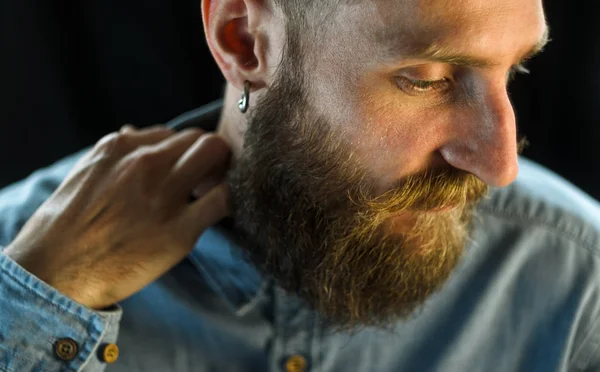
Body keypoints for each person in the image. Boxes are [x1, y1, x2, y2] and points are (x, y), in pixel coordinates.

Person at [0, 0, 598, 371]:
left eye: (514, 69)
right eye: (425, 78)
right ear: (246, 41)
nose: (499, 166)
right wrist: (35, 310)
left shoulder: (580, 284)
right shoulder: (22, 264)